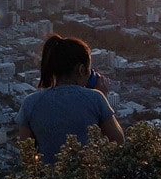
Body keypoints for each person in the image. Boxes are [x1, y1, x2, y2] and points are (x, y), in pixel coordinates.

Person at [17, 34, 125, 163]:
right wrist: (103, 97)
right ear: (81, 70)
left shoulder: (30, 103)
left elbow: (26, 155)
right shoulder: (95, 98)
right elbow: (119, 142)